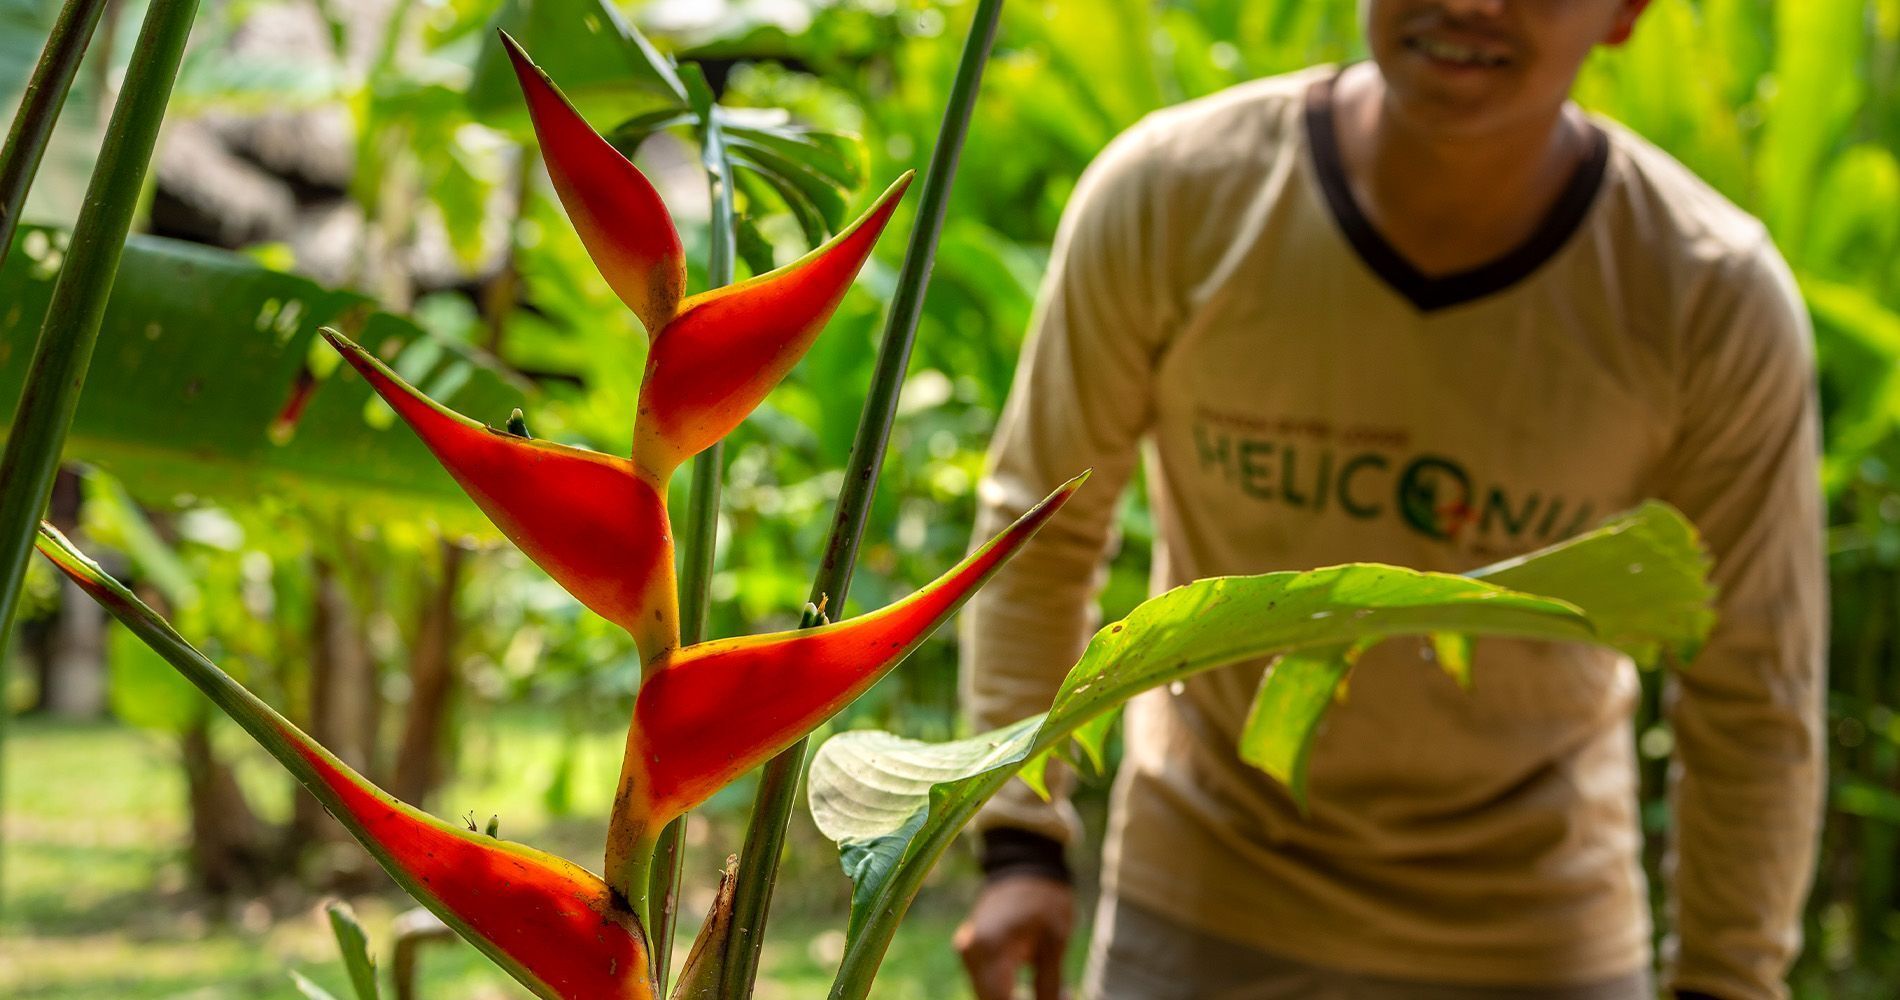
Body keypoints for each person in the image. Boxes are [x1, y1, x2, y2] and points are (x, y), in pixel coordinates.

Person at [952, 1, 1826, 999]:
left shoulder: (1705, 291)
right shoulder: (1174, 194)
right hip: (1205, 903)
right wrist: (1019, 841)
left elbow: (1754, 678)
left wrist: (1724, 979)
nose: (1471, 5)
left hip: (1539, 937)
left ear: (1625, 12)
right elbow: (1042, 527)